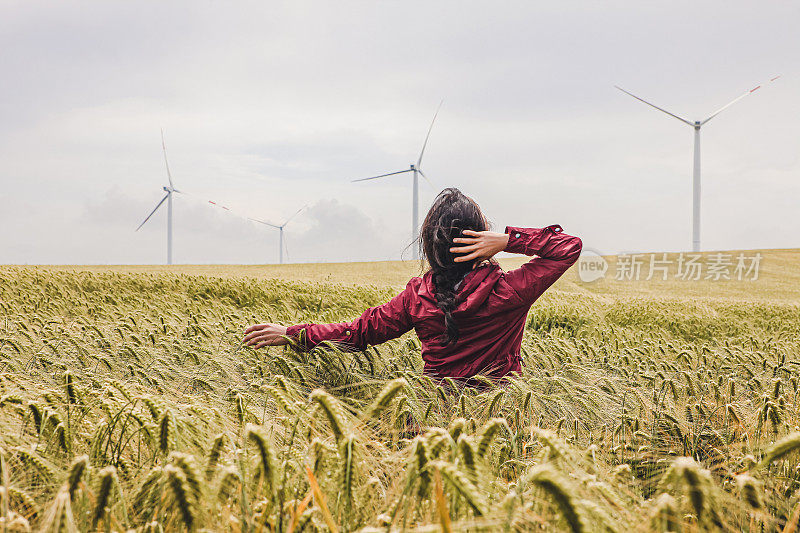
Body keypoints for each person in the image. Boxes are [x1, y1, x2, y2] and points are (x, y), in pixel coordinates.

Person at [243, 188, 582, 381]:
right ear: (481, 238)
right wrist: (508, 240)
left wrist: (293, 333)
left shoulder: (416, 299)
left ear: (430, 246)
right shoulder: (509, 292)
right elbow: (568, 248)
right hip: (505, 418)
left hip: (433, 412)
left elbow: (357, 333)